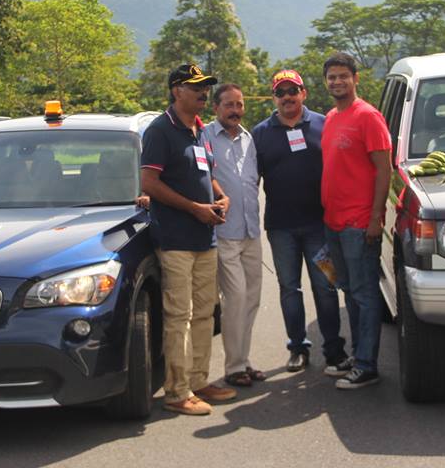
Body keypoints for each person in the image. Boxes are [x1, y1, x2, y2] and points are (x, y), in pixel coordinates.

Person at [140, 63, 237, 416]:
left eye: (205, 87)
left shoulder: (199, 130)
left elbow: (206, 174)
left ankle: (198, 380)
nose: (203, 93)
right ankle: (177, 391)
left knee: (205, 313)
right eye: (196, 87)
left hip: (205, 238)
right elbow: (149, 183)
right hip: (176, 239)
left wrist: (220, 196)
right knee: (179, 315)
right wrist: (194, 208)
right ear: (176, 90)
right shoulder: (159, 131)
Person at [252, 69, 348, 374]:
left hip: (319, 225)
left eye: (292, 91)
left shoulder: (324, 123)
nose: (287, 97)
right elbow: (250, 180)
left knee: (326, 288)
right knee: (289, 289)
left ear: (303, 93)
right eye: (280, 92)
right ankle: (297, 348)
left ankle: (334, 350)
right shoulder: (261, 133)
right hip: (281, 227)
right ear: (274, 98)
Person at [320, 52, 392, 389]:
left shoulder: (369, 117)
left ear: (355, 78)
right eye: (332, 77)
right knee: (349, 291)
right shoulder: (331, 117)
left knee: (364, 294)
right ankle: (358, 355)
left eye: (343, 76)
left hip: (359, 222)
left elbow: (384, 170)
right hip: (334, 222)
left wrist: (376, 217)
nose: (337, 82)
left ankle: (367, 366)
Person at [207, 83, 265, 388]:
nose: (235, 110)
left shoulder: (248, 138)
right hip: (224, 231)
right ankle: (234, 366)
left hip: (251, 230)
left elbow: (252, 181)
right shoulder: (204, 137)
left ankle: (243, 359)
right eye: (229, 105)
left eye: (239, 104)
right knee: (236, 298)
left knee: (252, 298)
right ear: (216, 107)